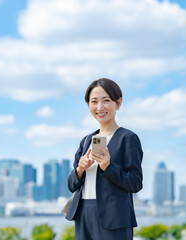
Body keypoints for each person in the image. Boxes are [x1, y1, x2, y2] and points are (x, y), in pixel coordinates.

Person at [65, 78, 143, 240]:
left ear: (118, 103)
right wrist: (80, 170)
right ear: (88, 106)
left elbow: (135, 183)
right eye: (94, 102)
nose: (99, 107)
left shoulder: (127, 138)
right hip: (83, 214)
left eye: (106, 100)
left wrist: (108, 167)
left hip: (114, 217)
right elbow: (72, 184)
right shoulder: (86, 140)